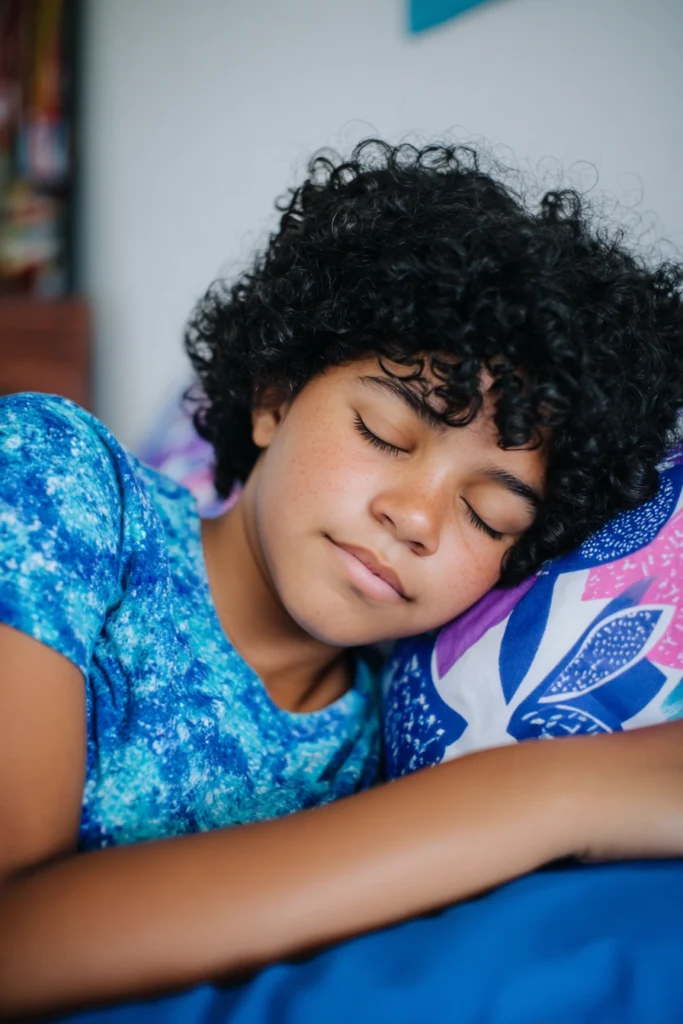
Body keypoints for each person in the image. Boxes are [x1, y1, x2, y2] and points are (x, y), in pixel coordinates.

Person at [2, 140, 683, 1018]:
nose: (418, 518)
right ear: (274, 396)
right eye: (385, 434)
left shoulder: (382, 752)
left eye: (489, 517)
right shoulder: (61, 474)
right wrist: (565, 791)